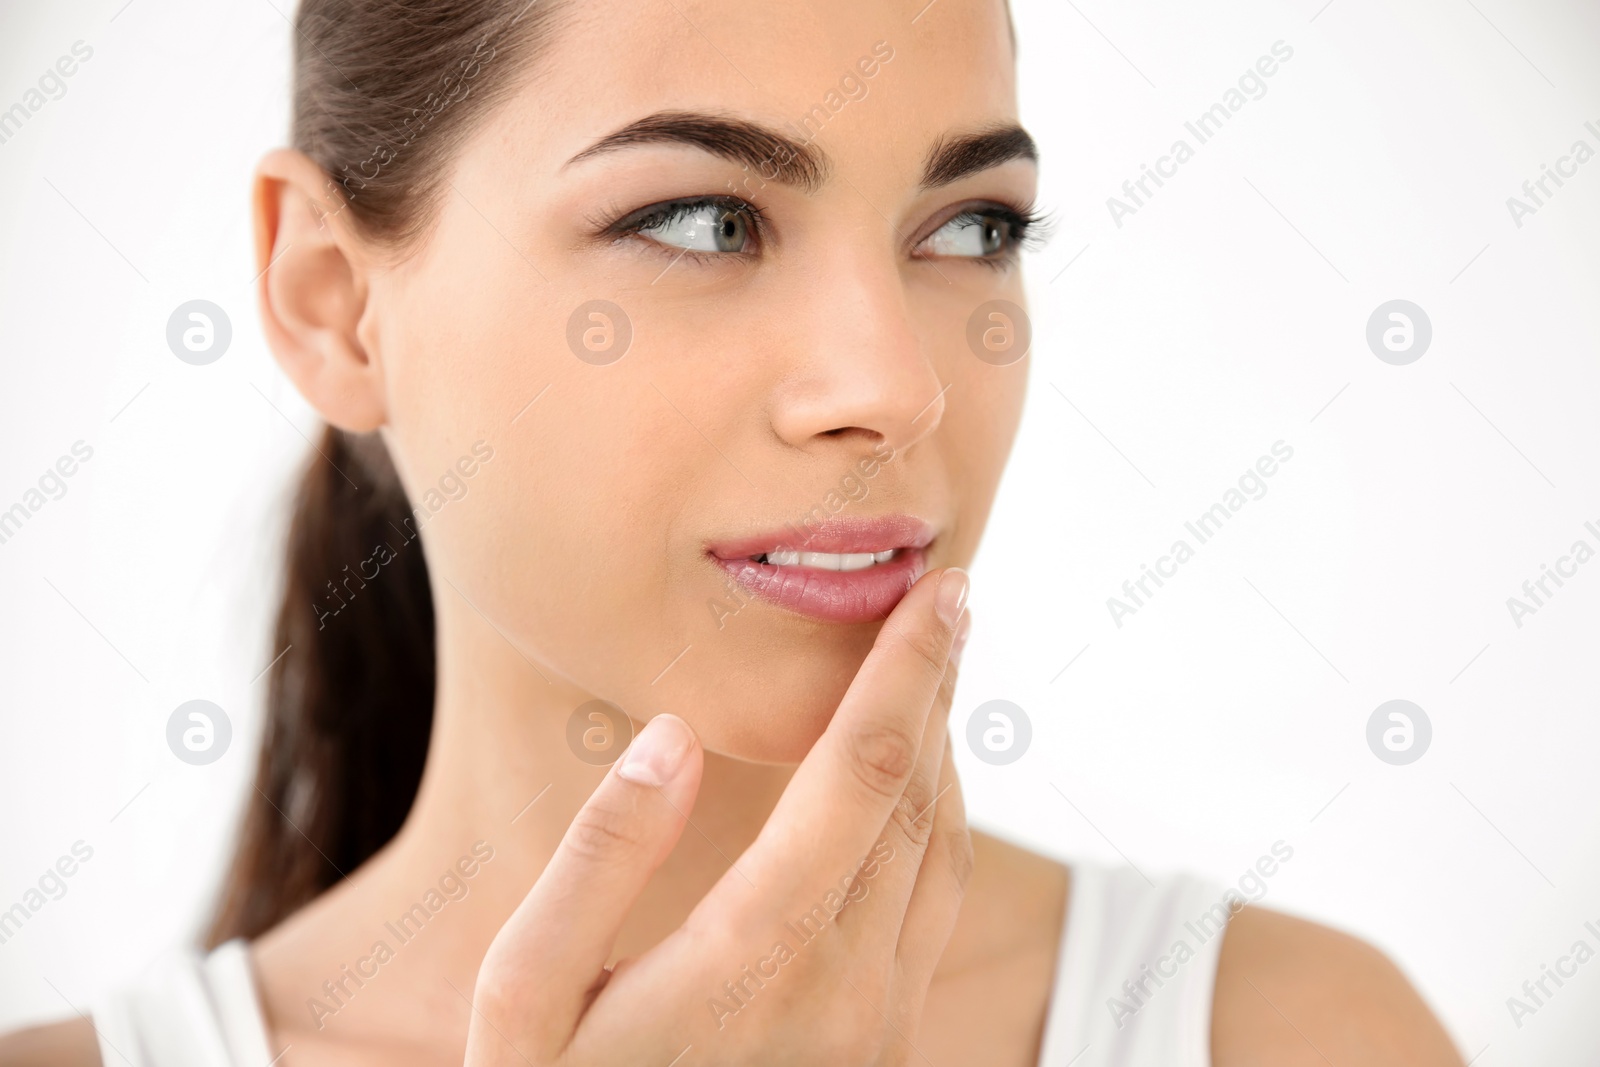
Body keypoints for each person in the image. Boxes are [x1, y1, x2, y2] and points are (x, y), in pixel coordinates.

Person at [1, 0, 1464, 1062]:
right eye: (704, 220)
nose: (894, 387)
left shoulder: (1295, 1034)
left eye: (971, 227)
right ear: (332, 297)